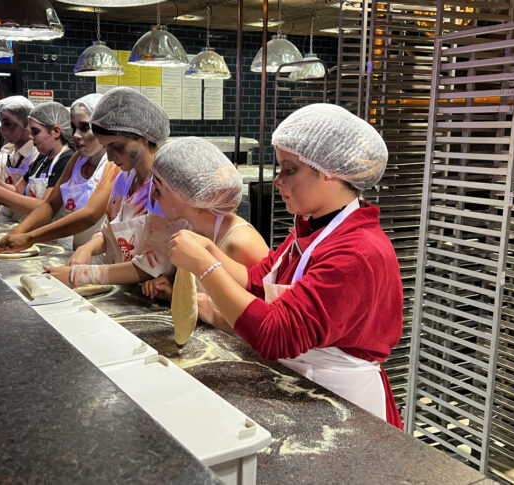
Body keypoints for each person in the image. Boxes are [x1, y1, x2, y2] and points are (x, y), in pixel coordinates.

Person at [167, 104, 404, 429]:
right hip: (305, 386)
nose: (278, 180)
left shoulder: (357, 252)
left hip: (345, 407)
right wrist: (210, 251)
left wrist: (205, 266)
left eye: (289, 169)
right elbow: (256, 281)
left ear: (329, 171)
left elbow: (275, 334)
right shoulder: (313, 230)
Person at [44, 87, 187, 287]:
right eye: (106, 147)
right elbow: (109, 229)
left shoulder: (163, 188)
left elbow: (150, 265)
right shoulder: (125, 178)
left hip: (156, 293)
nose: (110, 157)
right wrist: (87, 248)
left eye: (117, 147)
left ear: (144, 136)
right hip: (127, 289)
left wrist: (81, 275)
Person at [141, 137, 269, 330]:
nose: (153, 195)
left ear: (183, 194)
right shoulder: (192, 228)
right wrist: (175, 292)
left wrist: (214, 316)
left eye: (158, 188)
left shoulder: (241, 242)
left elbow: (268, 323)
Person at [0, 94, 120, 251]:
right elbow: (50, 205)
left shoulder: (113, 164)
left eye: (84, 127)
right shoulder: (78, 159)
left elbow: (89, 215)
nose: (76, 135)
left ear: (105, 128)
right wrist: (16, 232)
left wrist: (30, 237)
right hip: (78, 250)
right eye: (73, 128)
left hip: (106, 254)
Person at [0, 101, 75, 218]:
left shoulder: (66, 160)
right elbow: (17, 190)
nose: (30, 136)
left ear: (56, 132)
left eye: (35, 131)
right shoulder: (42, 158)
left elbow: (45, 207)